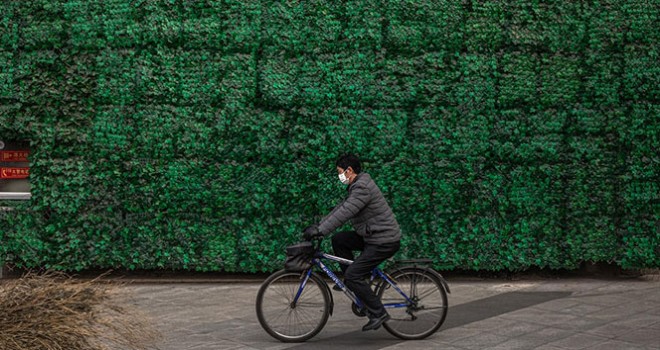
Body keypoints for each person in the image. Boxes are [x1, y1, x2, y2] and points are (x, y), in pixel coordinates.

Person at [303, 153, 401, 332]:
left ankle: (378, 312)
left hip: (383, 241)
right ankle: (354, 284)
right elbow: (340, 208)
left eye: (340, 173)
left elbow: (346, 212)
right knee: (339, 240)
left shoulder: (362, 188)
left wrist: (320, 231)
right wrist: (319, 226)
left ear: (349, 170)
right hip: (373, 236)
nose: (339, 177)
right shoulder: (357, 185)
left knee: (353, 274)